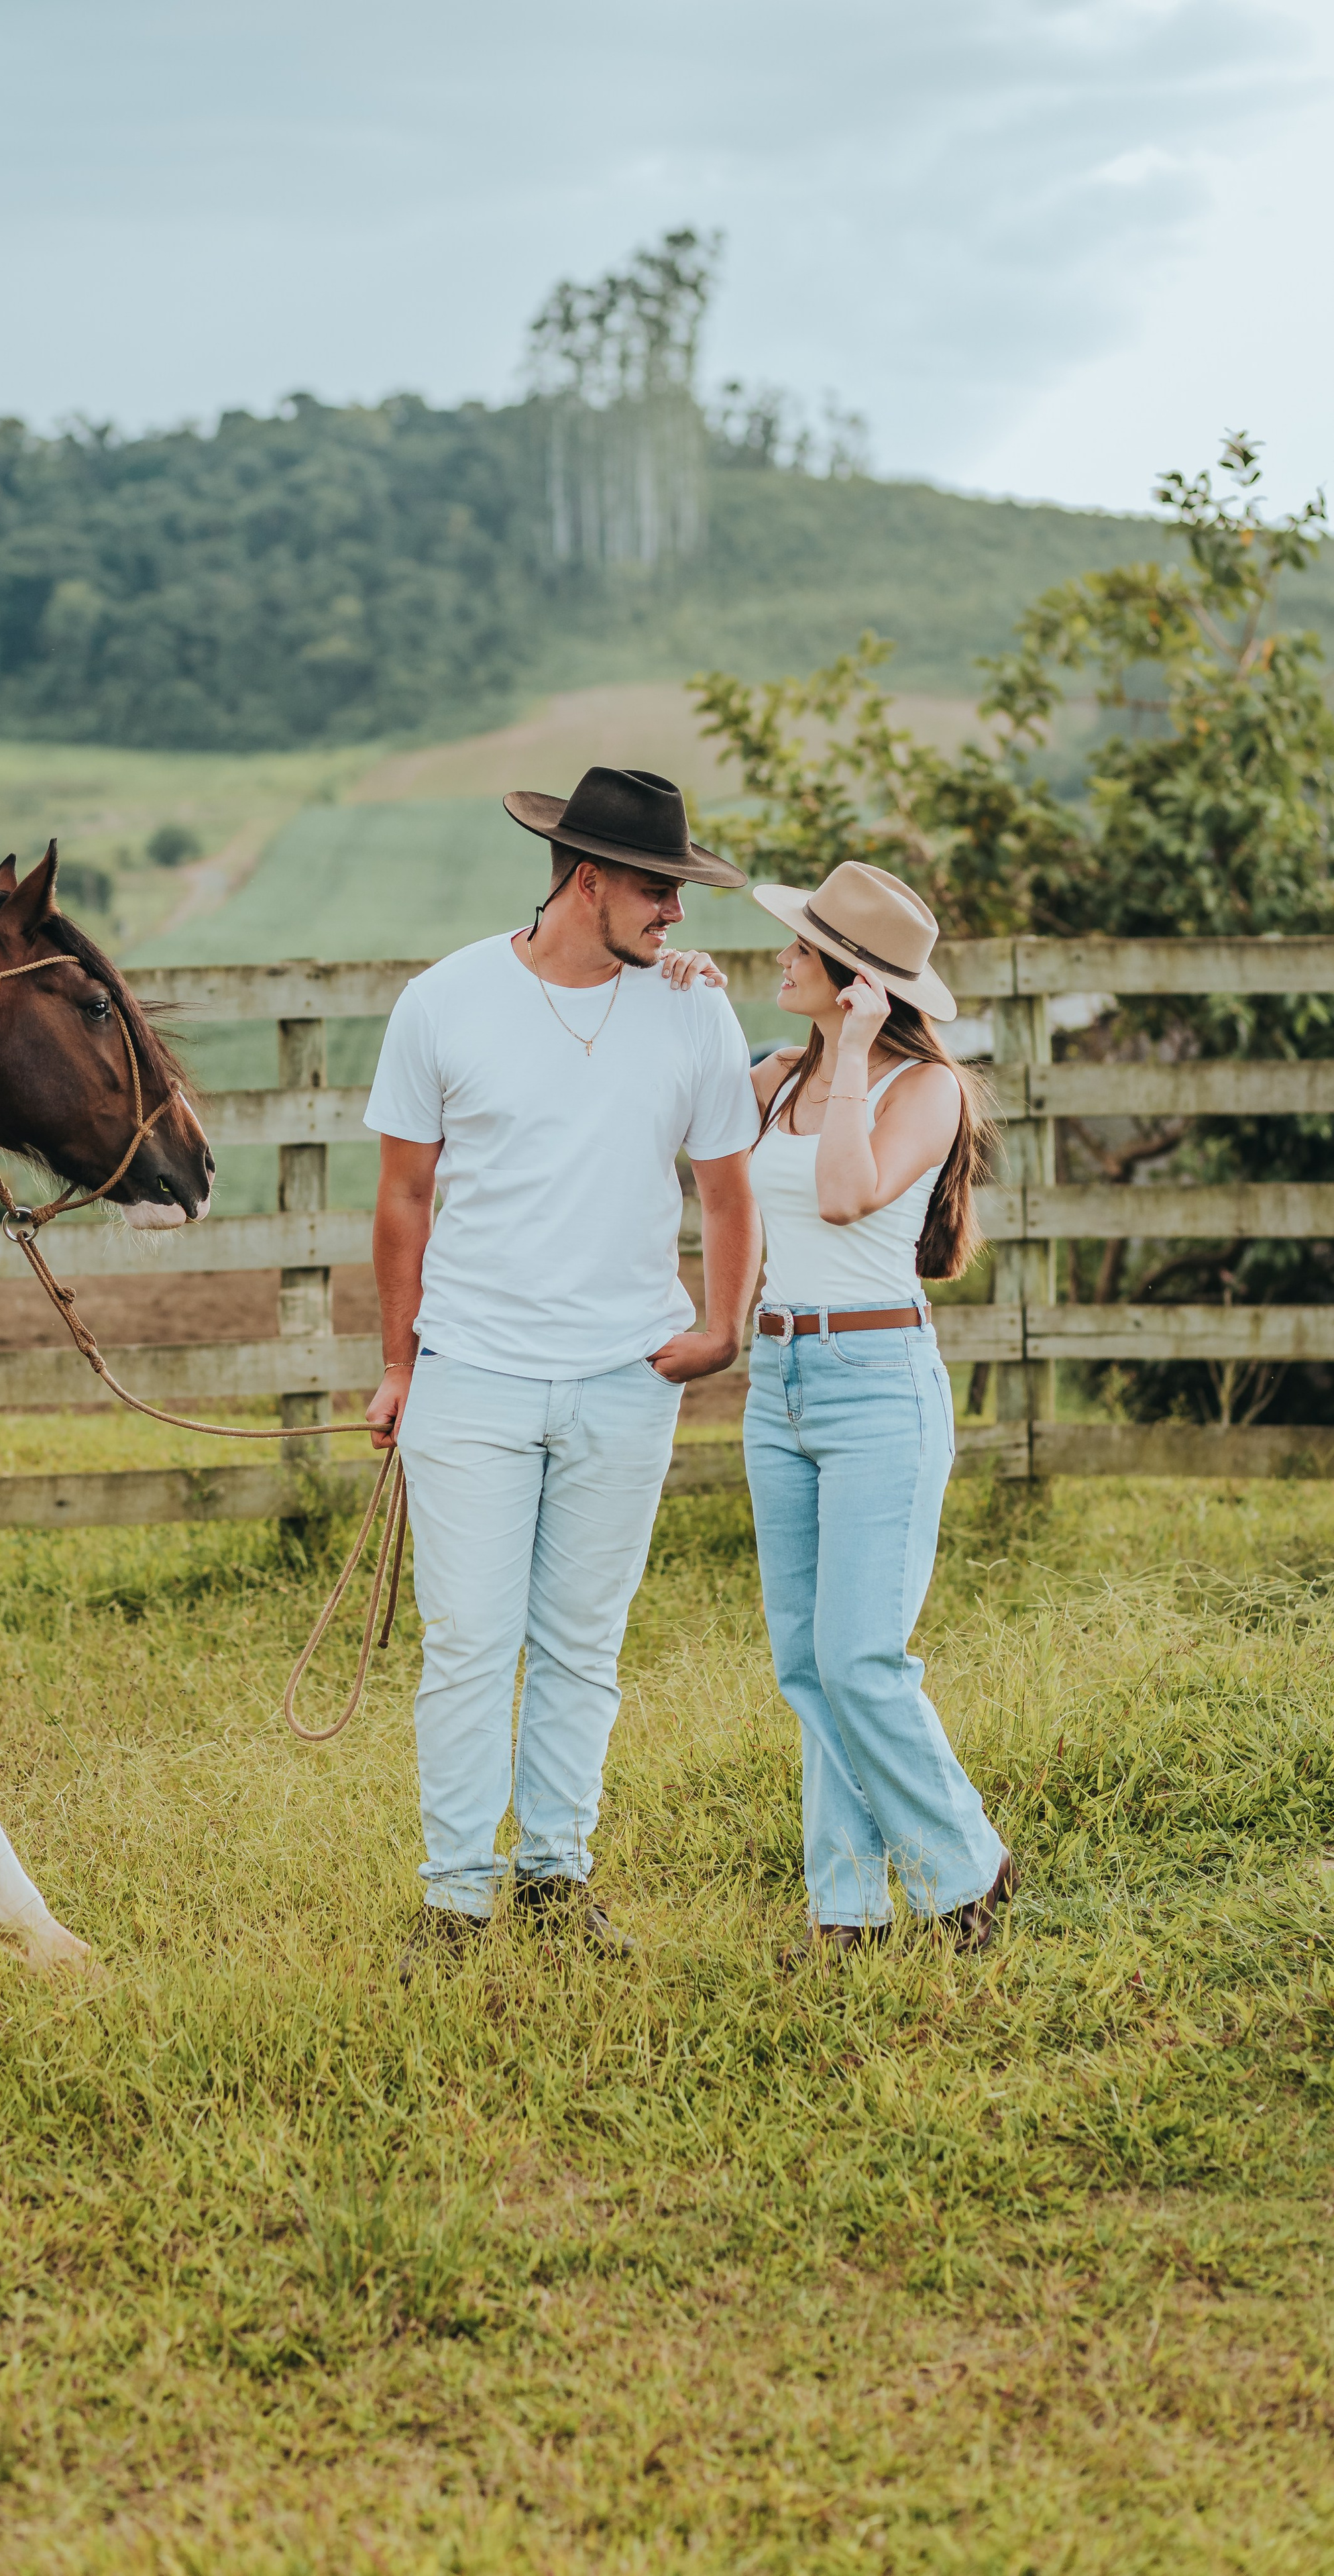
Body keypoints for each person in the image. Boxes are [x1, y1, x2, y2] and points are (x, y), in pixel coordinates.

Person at [364, 767, 763, 1978]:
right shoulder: (444, 1001)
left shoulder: (695, 1011)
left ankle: (555, 1880)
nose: (677, 913)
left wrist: (725, 1326)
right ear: (588, 880)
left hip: (626, 1378)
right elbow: (402, 1198)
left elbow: (728, 1190)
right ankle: (455, 1901)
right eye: (658, 890)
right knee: (470, 1646)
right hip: (471, 1375)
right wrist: (399, 1364)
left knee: (584, 1644)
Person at [742, 859, 1015, 1959]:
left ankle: (969, 1871)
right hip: (777, 1381)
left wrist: (853, 1050)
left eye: (802, 947)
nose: (782, 956)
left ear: (856, 980)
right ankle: (846, 1911)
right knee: (807, 1666)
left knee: (860, 1658)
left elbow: (845, 1193)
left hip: (877, 1384)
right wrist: (675, 997)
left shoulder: (923, 1088)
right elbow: (668, 1121)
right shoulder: (776, 1078)